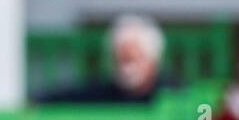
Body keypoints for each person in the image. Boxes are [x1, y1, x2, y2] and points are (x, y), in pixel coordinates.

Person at [38, 14, 173, 104]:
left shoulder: (170, 93)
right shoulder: (103, 92)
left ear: (153, 61)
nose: (127, 68)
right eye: (121, 59)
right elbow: (67, 95)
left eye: (133, 59)